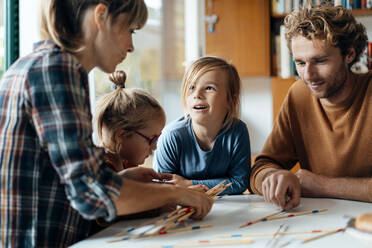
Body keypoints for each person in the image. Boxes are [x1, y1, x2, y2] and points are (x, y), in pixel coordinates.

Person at [0, 1, 213, 247]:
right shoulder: (57, 69)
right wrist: (176, 193)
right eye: (130, 30)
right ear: (101, 16)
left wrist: (123, 180)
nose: (131, 46)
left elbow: (65, 178)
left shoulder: (34, 64)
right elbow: (91, 194)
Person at [250, 3, 372, 211]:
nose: (308, 75)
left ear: (349, 54)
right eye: (300, 63)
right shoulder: (299, 95)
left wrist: (323, 185)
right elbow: (262, 167)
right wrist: (272, 178)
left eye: (320, 61)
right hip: (323, 220)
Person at [153, 56, 251, 195]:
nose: (197, 94)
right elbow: (164, 187)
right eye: (191, 87)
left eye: (209, 88)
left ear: (231, 100)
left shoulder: (238, 132)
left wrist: (189, 184)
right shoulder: (171, 136)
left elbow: (240, 182)